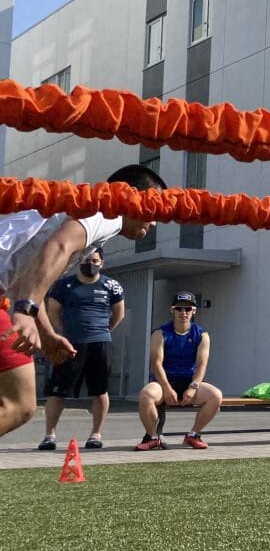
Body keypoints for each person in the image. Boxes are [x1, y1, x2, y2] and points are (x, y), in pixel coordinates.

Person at [0, 164, 166, 439]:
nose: (155, 222)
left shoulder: (87, 209)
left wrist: (48, 335)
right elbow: (60, 245)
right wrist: (26, 310)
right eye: (154, 209)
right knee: (18, 403)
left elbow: (25, 281)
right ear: (131, 197)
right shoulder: (106, 210)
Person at [37, 247, 125, 450]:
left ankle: (96, 434)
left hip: (99, 344)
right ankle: (49, 435)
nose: (90, 264)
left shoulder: (111, 285)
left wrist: (103, 330)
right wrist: (62, 334)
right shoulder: (63, 285)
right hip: (70, 346)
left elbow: (118, 313)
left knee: (99, 391)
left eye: (94, 261)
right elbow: (53, 312)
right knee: (58, 391)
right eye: (86, 260)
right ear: (78, 262)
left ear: (102, 263)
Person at [135, 292, 225, 450]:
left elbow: (202, 365)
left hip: (188, 382)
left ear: (194, 311)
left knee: (216, 396)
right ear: (172, 310)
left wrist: (193, 387)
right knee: (146, 395)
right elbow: (156, 364)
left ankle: (193, 435)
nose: (183, 312)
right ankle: (152, 436)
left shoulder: (202, 335)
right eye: (179, 308)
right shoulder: (160, 333)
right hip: (163, 382)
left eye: (188, 308)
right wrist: (168, 389)